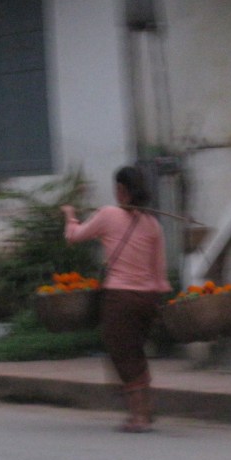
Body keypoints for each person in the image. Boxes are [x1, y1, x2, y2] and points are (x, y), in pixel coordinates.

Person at [60, 166, 171, 432]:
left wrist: (70, 215)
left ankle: (139, 416)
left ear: (121, 190)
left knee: (122, 354)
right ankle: (144, 409)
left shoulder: (108, 214)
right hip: (147, 298)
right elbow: (159, 271)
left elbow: (74, 236)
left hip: (120, 298)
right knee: (135, 352)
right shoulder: (153, 224)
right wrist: (160, 301)